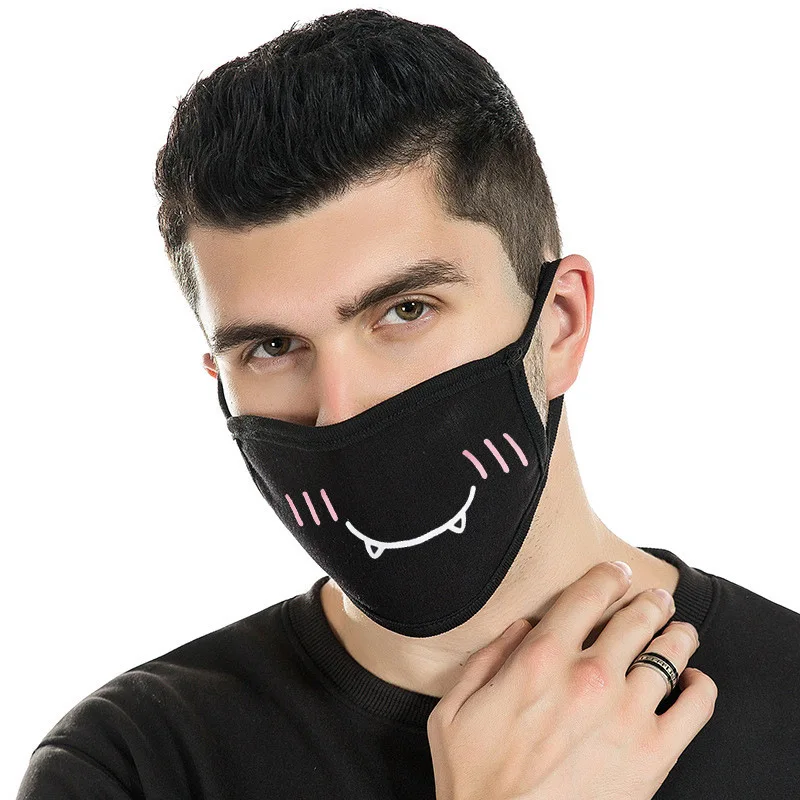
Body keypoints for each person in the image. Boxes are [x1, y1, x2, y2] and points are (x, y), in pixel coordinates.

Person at [16, 8, 800, 799]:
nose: (341, 411)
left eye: (406, 310)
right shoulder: (132, 767)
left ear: (560, 324)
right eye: (273, 347)